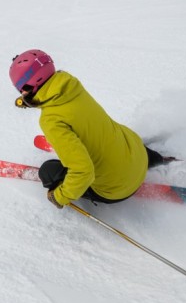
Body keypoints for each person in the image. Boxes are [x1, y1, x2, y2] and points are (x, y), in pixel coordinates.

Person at [9, 49, 168, 209]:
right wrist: (30, 100)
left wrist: (59, 197)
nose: (20, 93)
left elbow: (83, 172)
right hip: (137, 152)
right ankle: (156, 159)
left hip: (116, 189)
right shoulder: (70, 86)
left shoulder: (51, 121)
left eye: (20, 89)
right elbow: (54, 100)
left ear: (30, 87)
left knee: (47, 171)